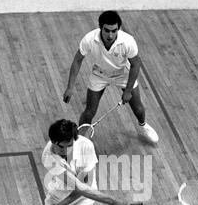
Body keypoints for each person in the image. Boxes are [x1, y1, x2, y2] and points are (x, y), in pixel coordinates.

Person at [63, 10, 159, 144]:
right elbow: (77, 60)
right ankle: (79, 141)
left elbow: (136, 65)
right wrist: (70, 87)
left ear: (118, 29)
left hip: (122, 75)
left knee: (138, 109)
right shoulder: (90, 39)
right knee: (89, 112)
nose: (110, 35)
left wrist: (128, 91)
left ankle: (143, 125)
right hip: (99, 74)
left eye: (114, 31)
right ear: (100, 27)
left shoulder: (128, 41)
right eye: (107, 30)